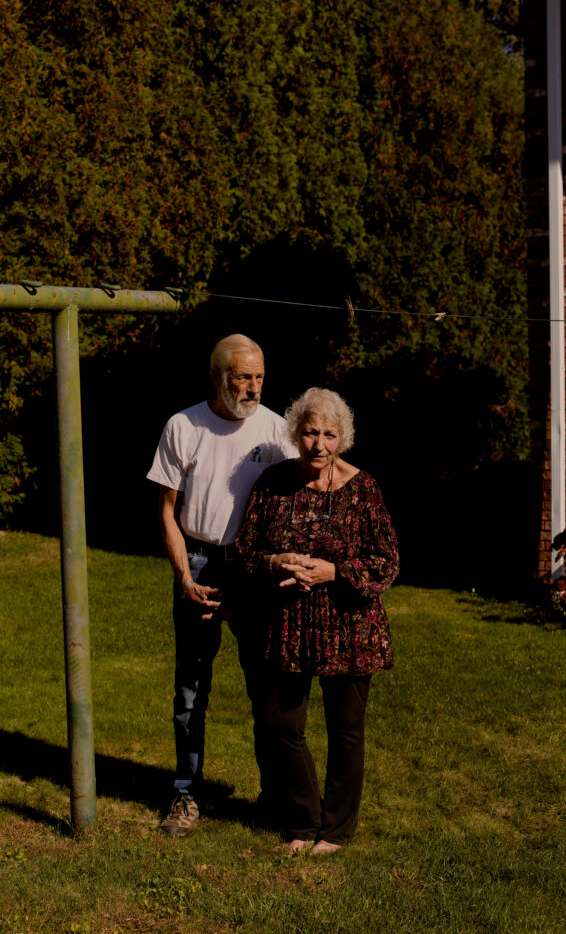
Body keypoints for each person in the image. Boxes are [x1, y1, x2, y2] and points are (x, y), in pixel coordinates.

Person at [235, 387, 399, 855]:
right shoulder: (272, 483)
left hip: (349, 626)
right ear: (295, 433)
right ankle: (304, 820)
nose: (319, 444)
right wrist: (276, 562)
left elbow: (387, 562)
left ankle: (337, 829)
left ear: (342, 437)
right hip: (285, 626)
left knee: (346, 730)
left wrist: (335, 571)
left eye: (329, 434)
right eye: (310, 432)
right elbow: (246, 551)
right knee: (280, 726)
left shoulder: (363, 488)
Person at [147, 334, 293, 834]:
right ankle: (185, 796)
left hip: (254, 569)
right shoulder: (183, 426)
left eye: (258, 378)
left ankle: (274, 798)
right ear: (216, 378)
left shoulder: (278, 432)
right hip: (200, 560)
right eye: (240, 379)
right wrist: (185, 577)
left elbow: (296, 509)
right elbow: (165, 511)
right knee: (190, 687)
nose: (251, 388)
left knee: (266, 686)